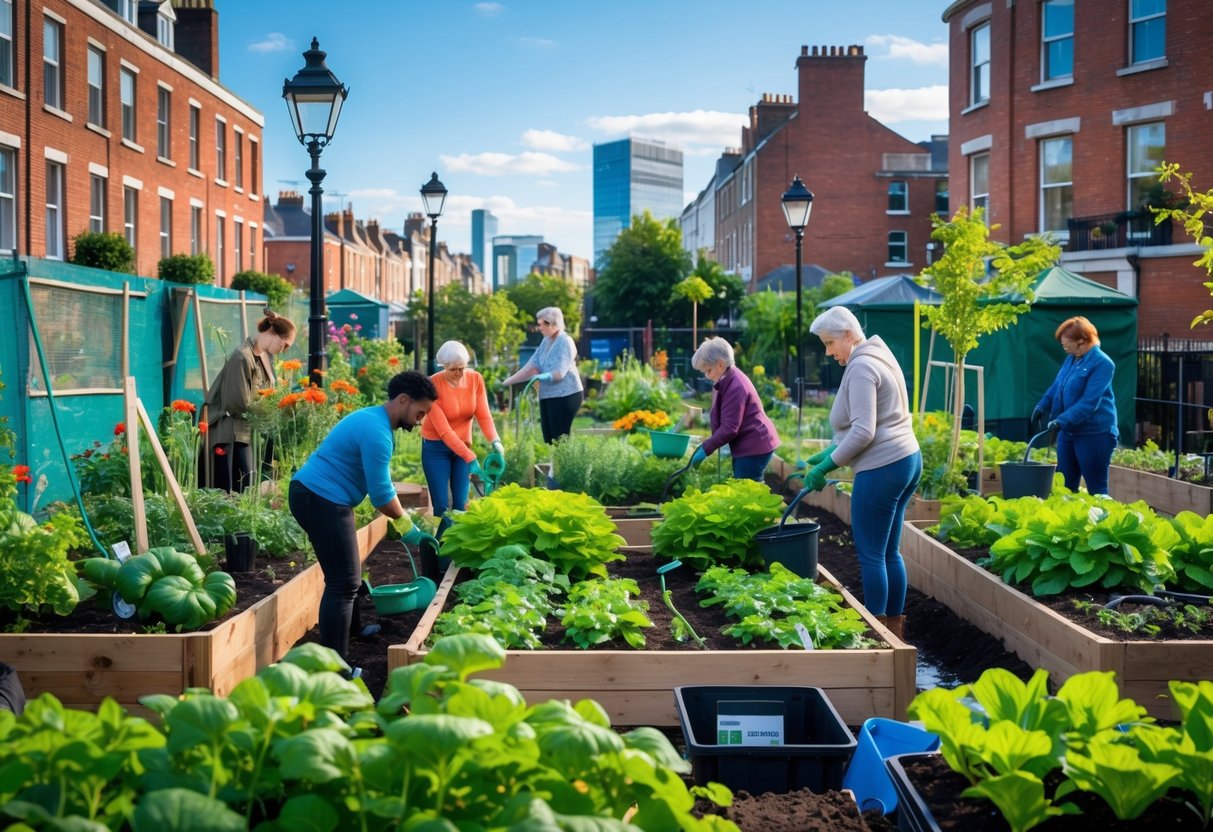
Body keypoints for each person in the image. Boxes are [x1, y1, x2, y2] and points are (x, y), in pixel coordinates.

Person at [289, 371, 439, 662]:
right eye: (421, 412)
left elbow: (379, 485)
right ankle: (334, 665)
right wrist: (407, 526)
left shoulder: (375, 421)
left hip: (321, 496)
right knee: (343, 582)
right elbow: (381, 494)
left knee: (347, 573)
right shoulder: (377, 432)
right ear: (404, 400)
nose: (421, 419)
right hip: (319, 498)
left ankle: (353, 630)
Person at [807, 307, 922, 640]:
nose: (829, 353)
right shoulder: (880, 355)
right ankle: (894, 632)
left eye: (830, 343)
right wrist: (831, 450)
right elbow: (881, 417)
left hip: (883, 467)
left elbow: (863, 432)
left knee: (872, 554)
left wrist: (826, 467)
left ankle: (875, 637)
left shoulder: (861, 367)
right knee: (889, 552)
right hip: (907, 458)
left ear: (847, 333)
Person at [201, 309, 296, 492]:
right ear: (274, 335)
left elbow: (265, 392)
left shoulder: (261, 355)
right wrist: (275, 407)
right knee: (229, 491)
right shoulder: (242, 357)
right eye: (285, 345)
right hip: (226, 432)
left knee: (245, 487)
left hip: (242, 432)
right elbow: (240, 404)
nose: (284, 351)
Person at [422, 340, 505, 535]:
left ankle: (457, 554)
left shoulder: (475, 379)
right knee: (441, 505)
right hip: (436, 449)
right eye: (454, 370)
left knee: (460, 505)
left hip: (463, 450)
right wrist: (470, 457)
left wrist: (496, 441)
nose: (459, 373)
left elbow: (483, 414)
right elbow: (444, 432)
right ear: (443, 366)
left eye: (462, 368)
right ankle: (441, 551)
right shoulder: (432, 385)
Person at [1032, 316, 1118, 495]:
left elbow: (1089, 403)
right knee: (1064, 487)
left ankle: (1104, 521)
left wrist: (1061, 420)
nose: (1063, 346)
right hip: (1069, 431)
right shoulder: (1072, 358)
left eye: (1066, 342)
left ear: (1082, 340)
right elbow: (1057, 386)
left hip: (1095, 433)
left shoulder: (1103, 363)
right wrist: (1042, 405)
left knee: (1097, 488)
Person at [688, 337, 780, 481]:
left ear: (720, 364)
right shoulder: (725, 380)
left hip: (755, 445)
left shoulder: (736, 387)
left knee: (746, 490)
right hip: (750, 443)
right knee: (746, 488)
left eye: (708, 371)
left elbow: (730, 428)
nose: (707, 376)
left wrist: (706, 448)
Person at [502, 306, 584, 443]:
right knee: (549, 439)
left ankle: (563, 464)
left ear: (552, 324)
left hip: (565, 396)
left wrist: (542, 377)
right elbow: (532, 366)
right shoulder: (546, 341)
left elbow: (559, 373)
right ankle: (555, 464)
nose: (539, 328)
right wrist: (508, 381)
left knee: (560, 439)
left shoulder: (565, 342)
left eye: (541, 324)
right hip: (548, 395)